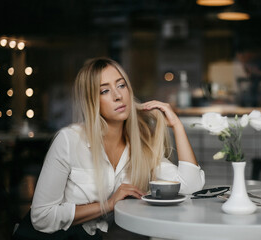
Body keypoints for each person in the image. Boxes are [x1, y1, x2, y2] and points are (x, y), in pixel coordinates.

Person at [14, 57, 205, 239]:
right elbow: (41, 217)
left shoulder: (141, 148)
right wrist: (108, 205)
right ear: (92, 101)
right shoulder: (69, 141)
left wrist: (177, 126)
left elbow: (191, 187)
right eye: (104, 91)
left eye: (121, 85)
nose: (117, 96)